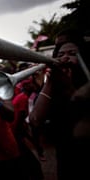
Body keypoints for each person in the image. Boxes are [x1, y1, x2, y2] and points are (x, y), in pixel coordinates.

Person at [29, 33, 90, 180]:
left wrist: (66, 84)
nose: (65, 58)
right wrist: (49, 82)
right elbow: (35, 120)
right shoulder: (53, 84)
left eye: (72, 53)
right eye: (61, 54)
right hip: (66, 159)